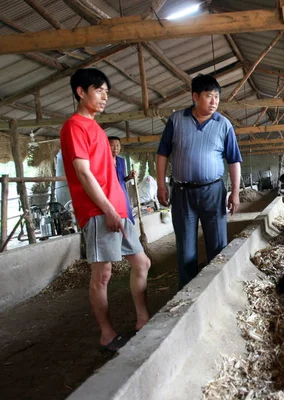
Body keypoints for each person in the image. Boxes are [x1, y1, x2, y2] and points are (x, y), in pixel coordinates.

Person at [60, 68, 151, 352]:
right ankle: (107, 335)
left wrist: (121, 208)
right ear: (81, 92)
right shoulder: (74, 126)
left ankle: (142, 320)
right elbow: (84, 174)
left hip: (117, 208)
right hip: (99, 211)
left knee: (142, 263)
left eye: (107, 92)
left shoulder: (97, 129)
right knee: (103, 275)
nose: (105, 97)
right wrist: (109, 210)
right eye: (99, 91)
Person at [156, 74, 242, 289]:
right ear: (195, 96)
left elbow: (234, 161)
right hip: (182, 191)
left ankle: (218, 288)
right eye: (209, 96)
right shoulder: (176, 120)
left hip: (213, 191)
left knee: (217, 244)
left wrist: (236, 192)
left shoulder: (224, 125)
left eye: (217, 97)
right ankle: (188, 291)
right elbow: (162, 154)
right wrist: (160, 185)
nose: (214, 102)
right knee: (185, 247)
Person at [108, 136, 135, 224]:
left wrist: (129, 177)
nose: (115, 148)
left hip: (122, 192)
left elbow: (121, 179)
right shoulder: (104, 161)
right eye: (112, 145)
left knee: (127, 214)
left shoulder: (121, 161)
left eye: (118, 145)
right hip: (110, 193)